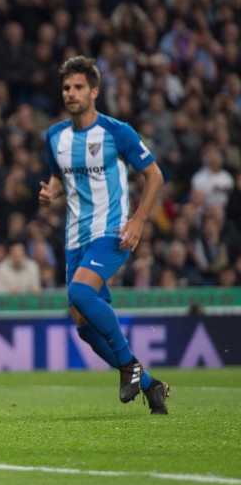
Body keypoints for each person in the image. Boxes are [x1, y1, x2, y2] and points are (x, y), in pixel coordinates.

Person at [39, 56, 169, 415]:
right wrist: (51, 193)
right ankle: (150, 385)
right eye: (66, 87)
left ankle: (129, 365)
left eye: (79, 87)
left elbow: (155, 175)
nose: (71, 93)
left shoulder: (116, 132)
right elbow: (60, 178)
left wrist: (139, 221)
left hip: (112, 231)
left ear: (94, 91)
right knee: (82, 324)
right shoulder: (55, 137)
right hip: (74, 237)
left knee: (79, 292)